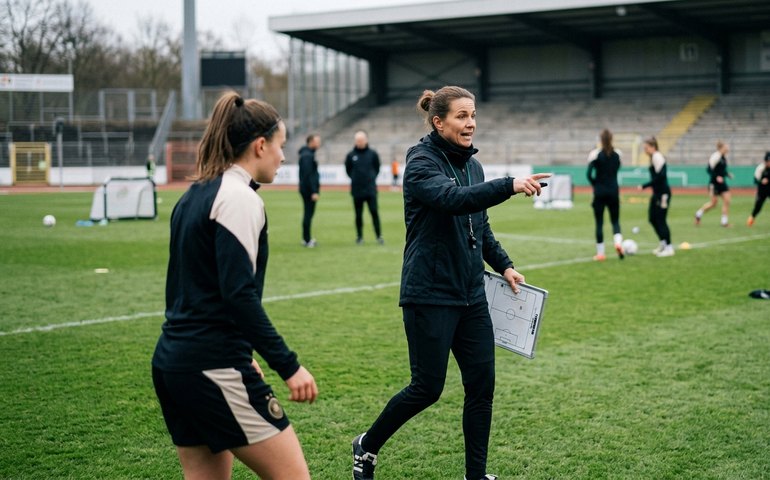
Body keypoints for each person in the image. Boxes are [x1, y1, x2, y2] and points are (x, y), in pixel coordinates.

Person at [350, 86, 550, 480]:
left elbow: (480, 225)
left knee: (482, 385)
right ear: (438, 121)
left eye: (473, 114)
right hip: (430, 293)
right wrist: (508, 184)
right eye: (461, 115)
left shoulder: (472, 166)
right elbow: (454, 200)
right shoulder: (421, 162)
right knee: (427, 388)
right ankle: (367, 445)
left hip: (471, 293)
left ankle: (475, 476)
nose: (471, 122)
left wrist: (505, 266)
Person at [152, 92, 318, 480]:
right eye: (280, 146)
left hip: (172, 364)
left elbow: (188, 289)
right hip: (213, 365)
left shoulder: (193, 195)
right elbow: (238, 295)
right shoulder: (240, 198)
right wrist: (289, 366)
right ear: (260, 145)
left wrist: (242, 351)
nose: (283, 157)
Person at [587, 129, 624, 261]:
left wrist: (595, 184)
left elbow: (589, 174)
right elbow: (616, 170)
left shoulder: (595, 154)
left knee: (599, 223)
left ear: (601, 140)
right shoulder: (618, 154)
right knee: (615, 221)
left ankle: (601, 253)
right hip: (614, 190)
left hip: (600, 191)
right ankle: (618, 243)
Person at [345, 130, 383, 244]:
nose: (359, 142)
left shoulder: (373, 154)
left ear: (366, 140)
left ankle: (379, 236)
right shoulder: (351, 155)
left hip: (370, 189)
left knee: (374, 212)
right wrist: (356, 179)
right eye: (357, 140)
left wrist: (370, 178)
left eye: (361, 140)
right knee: (358, 215)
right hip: (357, 190)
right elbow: (348, 170)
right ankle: (359, 236)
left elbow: (377, 168)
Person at [640, 136, 674, 257]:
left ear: (653, 147)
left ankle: (669, 248)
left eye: (646, 148)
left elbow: (661, 176)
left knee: (660, 220)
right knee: (652, 218)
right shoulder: (653, 157)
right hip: (657, 193)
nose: (645, 150)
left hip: (663, 194)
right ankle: (663, 243)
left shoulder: (657, 157)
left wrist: (645, 185)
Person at [695, 140, 733, 227]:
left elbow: (721, 170)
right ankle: (698, 214)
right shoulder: (716, 156)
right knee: (713, 203)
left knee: (727, 200)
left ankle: (724, 222)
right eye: (726, 146)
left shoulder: (724, 157)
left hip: (722, 183)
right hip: (714, 183)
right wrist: (716, 177)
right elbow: (709, 169)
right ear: (721, 148)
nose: (727, 148)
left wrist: (727, 174)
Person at [298, 133, 321, 247]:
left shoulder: (307, 154)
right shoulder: (307, 156)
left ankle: (306, 238)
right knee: (308, 214)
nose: (319, 144)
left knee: (308, 214)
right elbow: (308, 175)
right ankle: (307, 240)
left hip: (306, 189)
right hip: (308, 190)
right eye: (317, 141)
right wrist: (314, 191)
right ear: (311, 142)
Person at [747, 151, 770, 226]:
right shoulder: (761, 168)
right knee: (758, 206)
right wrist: (761, 181)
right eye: (768, 161)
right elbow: (755, 180)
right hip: (762, 190)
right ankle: (751, 218)